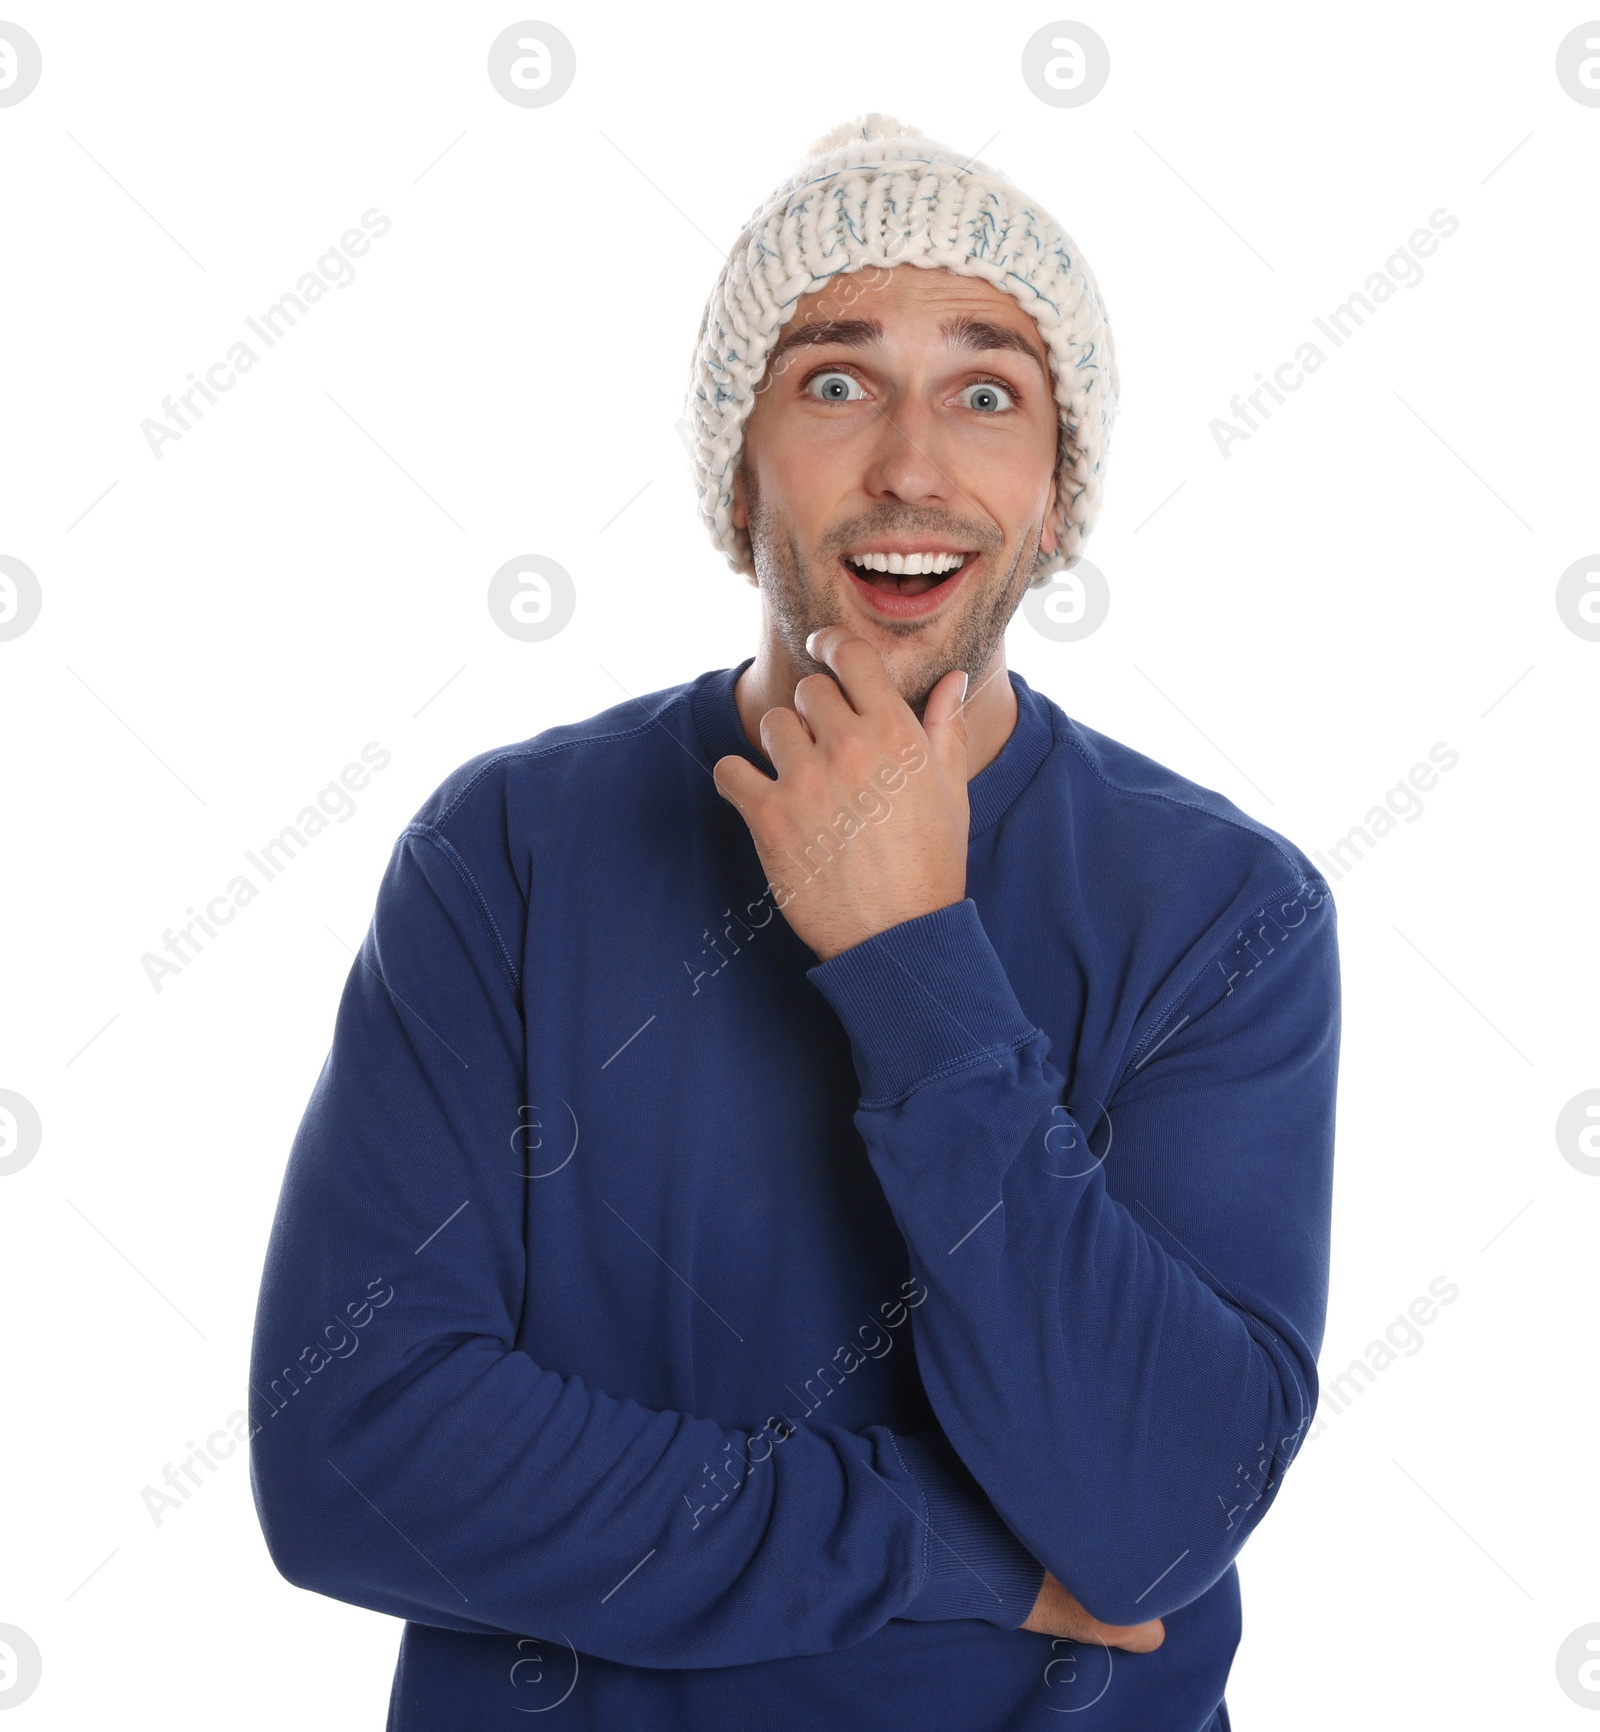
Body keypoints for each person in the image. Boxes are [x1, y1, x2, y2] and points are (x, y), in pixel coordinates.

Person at [248, 114, 1339, 1731]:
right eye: (836, 383)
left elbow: (1159, 1518)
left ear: (1057, 490)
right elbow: (353, 1450)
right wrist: (940, 1542)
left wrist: (914, 968)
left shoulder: (1225, 911)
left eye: (989, 392)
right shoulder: (509, 852)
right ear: (738, 462)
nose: (913, 462)